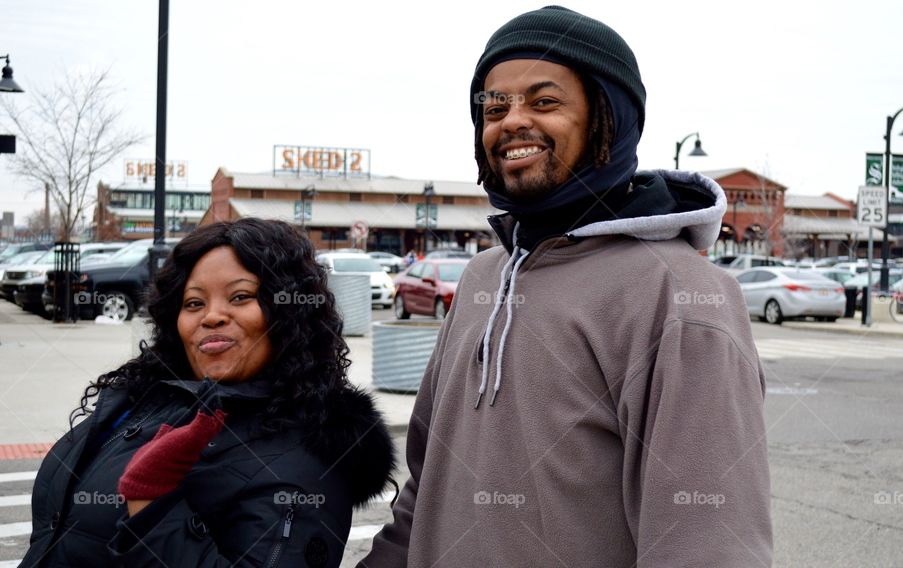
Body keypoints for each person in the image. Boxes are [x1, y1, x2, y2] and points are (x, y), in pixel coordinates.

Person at [361, 6, 771, 567]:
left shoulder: (680, 298)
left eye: (544, 101)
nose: (511, 122)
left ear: (610, 117)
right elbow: (427, 488)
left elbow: (708, 547)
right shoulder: (485, 276)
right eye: (495, 106)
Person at [23, 218, 395, 567]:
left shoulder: (308, 459)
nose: (211, 316)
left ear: (290, 315)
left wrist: (152, 504)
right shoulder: (151, 395)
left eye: (239, 297)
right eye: (194, 303)